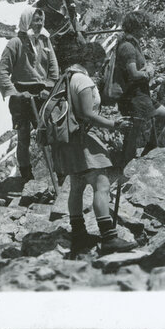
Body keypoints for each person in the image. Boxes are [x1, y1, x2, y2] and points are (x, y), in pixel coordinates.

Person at [53, 64, 138, 256]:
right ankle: (109, 237)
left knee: (77, 185)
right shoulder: (82, 80)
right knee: (101, 183)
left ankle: (79, 234)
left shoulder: (66, 79)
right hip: (81, 139)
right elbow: (86, 113)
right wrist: (113, 125)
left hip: (68, 141)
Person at [0, 7, 59, 182]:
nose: (38, 24)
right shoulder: (15, 43)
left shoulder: (45, 41)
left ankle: (56, 173)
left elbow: (53, 68)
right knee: (23, 137)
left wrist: (49, 87)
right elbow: (2, 72)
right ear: (26, 22)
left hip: (42, 94)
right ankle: (26, 175)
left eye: (40, 20)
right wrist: (16, 93)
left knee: (49, 133)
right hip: (21, 95)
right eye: (35, 20)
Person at [114, 11, 165, 163]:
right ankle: (126, 164)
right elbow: (133, 74)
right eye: (143, 26)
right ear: (136, 27)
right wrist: (148, 72)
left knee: (164, 115)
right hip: (134, 96)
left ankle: (148, 149)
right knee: (134, 131)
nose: (146, 29)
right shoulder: (128, 47)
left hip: (141, 94)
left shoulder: (131, 44)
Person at [36, 0, 88, 71]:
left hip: (75, 51)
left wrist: (79, 33)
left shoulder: (68, 1)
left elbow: (74, 21)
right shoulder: (39, 10)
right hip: (55, 58)